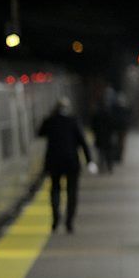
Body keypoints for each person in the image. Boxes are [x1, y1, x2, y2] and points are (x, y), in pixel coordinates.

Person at [37, 98, 95, 234]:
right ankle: (69, 222)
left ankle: (56, 218)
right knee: (72, 192)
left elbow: (40, 133)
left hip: (54, 162)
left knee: (55, 189)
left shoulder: (50, 121)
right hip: (71, 162)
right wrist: (89, 161)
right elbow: (83, 142)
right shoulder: (73, 121)